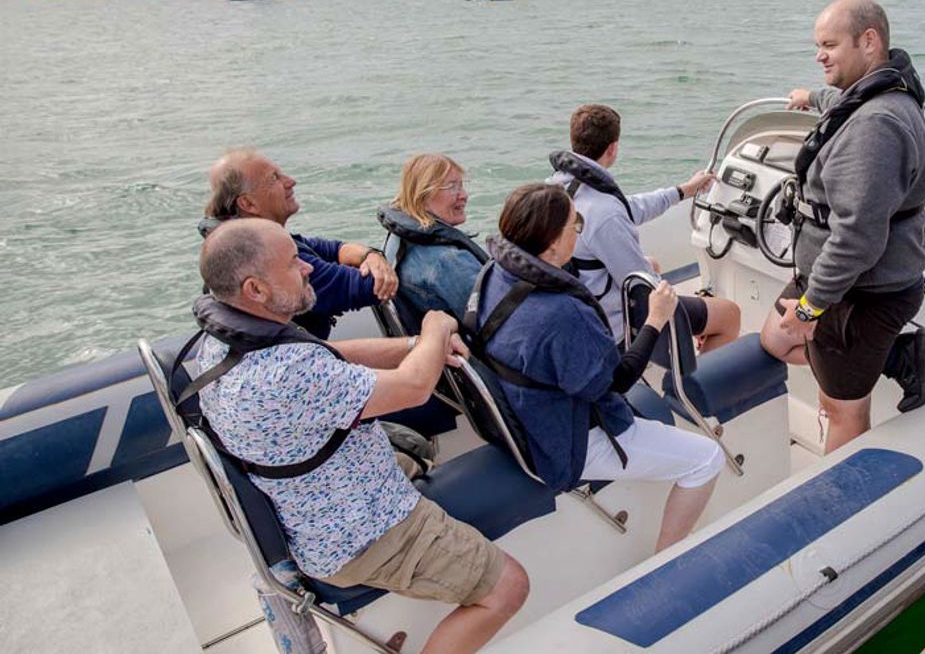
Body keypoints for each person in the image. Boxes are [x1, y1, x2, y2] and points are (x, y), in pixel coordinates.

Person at [193, 218, 527, 654]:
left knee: (416, 451)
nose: (309, 268)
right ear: (255, 289)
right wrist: (435, 328)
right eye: (294, 263)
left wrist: (414, 347)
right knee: (508, 587)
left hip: (318, 514)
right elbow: (412, 388)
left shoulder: (221, 343)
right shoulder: (286, 375)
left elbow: (328, 354)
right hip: (367, 535)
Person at [471, 184, 722, 552]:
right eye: (576, 225)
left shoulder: (493, 273)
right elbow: (616, 382)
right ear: (553, 243)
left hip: (528, 414)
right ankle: (666, 559)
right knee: (707, 459)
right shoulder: (562, 314)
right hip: (570, 442)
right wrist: (655, 318)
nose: (580, 231)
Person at [758, 0, 925, 454]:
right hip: (831, 283)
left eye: (829, 45)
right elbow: (841, 100)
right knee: (774, 340)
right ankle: (890, 355)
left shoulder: (877, 126)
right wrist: (809, 97)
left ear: (869, 41)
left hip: (861, 292)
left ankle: (837, 495)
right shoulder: (874, 90)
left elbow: (857, 240)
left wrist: (810, 309)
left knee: (841, 410)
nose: (819, 55)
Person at [548, 104, 741, 350]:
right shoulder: (605, 213)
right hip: (608, 323)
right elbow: (642, 286)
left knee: (652, 264)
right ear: (613, 148)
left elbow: (630, 208)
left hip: (580, 299)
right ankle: (684, 386)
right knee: (728, 314)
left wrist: (684, 190)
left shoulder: (560, 188)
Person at [203, 148, 397, 339]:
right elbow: (374, 287)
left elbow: (334, 249)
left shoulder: (249, 241)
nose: (290, 182)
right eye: (274, 178)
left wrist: (370, 255)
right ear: (248, 204)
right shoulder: (267, 261)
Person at [379, 153, 489, 327]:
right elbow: (495, 322)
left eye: (462, 185)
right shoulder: (446, 261)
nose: (464, 195)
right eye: (453, 187)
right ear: (423, 195)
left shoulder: (401, 239)